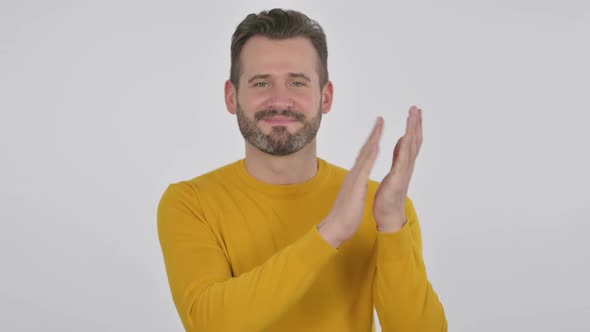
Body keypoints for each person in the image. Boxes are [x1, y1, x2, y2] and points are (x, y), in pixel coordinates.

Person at [157, 8, 447, 332]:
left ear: (325, 97)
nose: (280, 100)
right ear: (231, 96)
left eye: (297, 82)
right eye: (261, 82)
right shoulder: (190, 202)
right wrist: (331, 232)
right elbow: (210, 323)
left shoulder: (383, 207)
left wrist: (392, 222)